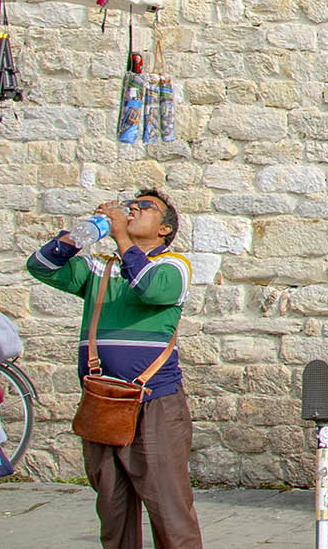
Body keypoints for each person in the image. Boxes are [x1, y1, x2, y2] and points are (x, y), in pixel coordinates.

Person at [26, 190, 202, 549]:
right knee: (113, 508)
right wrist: (81, 234)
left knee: (169, 509)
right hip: (102, 402)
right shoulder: (100, 268)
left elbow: (151, 290)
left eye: (146, 207)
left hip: (156, 403)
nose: (134, 208)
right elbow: (41, 265)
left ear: (165, 229)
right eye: (131, 204)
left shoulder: (174, 266)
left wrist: (121, 237)